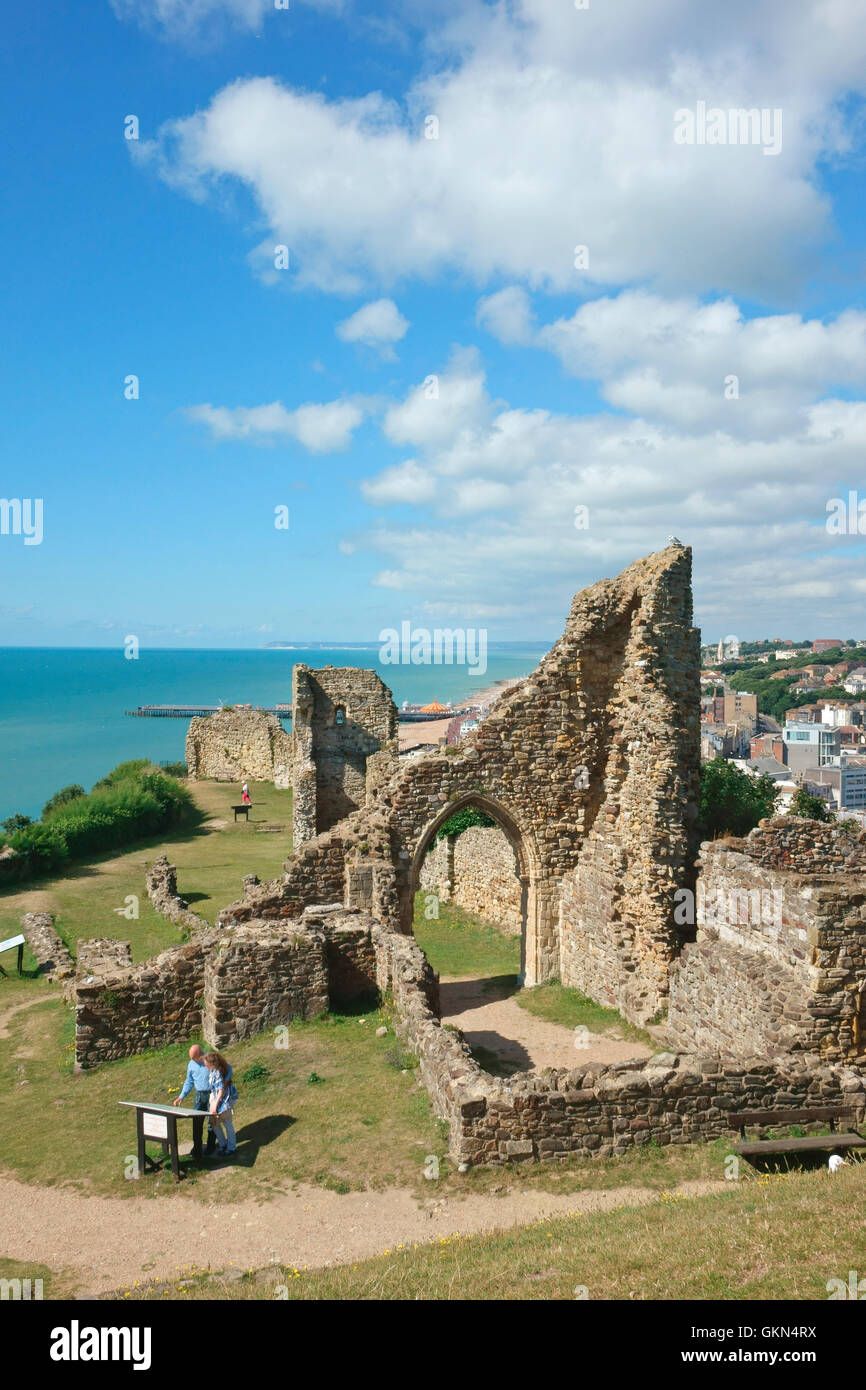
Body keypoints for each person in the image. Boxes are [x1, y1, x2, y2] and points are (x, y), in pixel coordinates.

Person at [173, 1044, 217, 1160]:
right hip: (199, 1097)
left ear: (200, 1054)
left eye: (194, 1057)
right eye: (191, 1058)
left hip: (211, 1095)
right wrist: (181, 1096)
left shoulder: (210, 1060)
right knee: (196, 1123)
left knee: (212, 1122)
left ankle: (211, 1147)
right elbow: (189, 1081)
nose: (192, 1060)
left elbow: (221, 1075)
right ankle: (197, 1148)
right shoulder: (191, 1064)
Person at [205, 1051, 238, 1156]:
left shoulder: (218, 1072)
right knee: (214, 1122)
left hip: (224, 1100)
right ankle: (223, 1144)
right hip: (216, 1098)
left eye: (206, 1063)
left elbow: (221, 1090)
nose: (204, 1065)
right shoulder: (212, 1071)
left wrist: (215, 1104)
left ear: (211, 1063)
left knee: (227, 1122)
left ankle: (231, 1147)